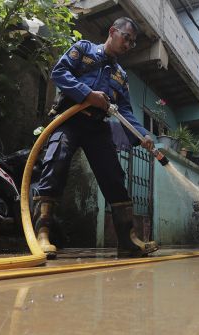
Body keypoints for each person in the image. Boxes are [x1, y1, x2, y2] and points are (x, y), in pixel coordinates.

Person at [31, 17, 158, 259]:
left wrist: (142, 134)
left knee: (113, 176)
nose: (129, 45)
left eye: (132, 43)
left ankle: (127, 240)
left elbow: (125, 111)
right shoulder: (84, 49)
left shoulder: (120, 75)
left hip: (97, 128)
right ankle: (42, 234)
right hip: (68, 120)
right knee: (56, 162)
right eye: (126, 38)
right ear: (113, 31)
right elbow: (59, 72)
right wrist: (87, 94)